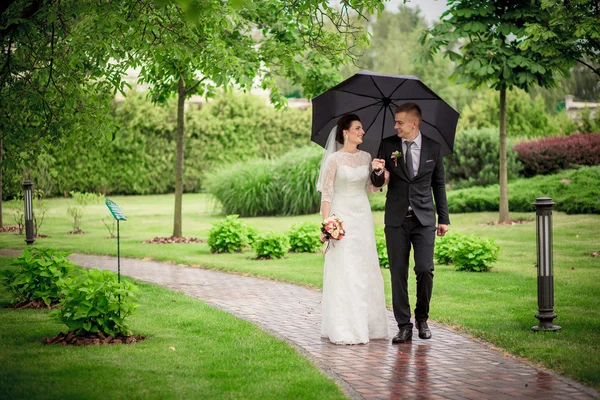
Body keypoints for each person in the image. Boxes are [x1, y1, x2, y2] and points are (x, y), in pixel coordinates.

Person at [370, 102, 449, 344]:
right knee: (398, 273)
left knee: (425, 269)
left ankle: (422, 318)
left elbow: (438, 184)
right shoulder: (388, 145)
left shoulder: (434, 149)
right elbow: (378, 183)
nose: (396, 126)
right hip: (395, 219)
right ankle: (404, 325)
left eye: (400, 122)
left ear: (414, 123)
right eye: (395, 122)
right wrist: (377, 171)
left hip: (424, 219)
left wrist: (443, 218)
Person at [316, 114, 390, 345]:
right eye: (358, 128)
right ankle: (344, 326)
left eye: (362, 128)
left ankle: (368, 325)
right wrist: (328, 225)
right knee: (345, 268)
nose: (362, 132)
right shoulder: (334, 160)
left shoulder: (367, 157)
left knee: (365, 266)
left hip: (363, 216)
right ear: (345, 132)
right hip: (342, 216)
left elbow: (371, 187)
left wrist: (380, 173)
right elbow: (327, 194)